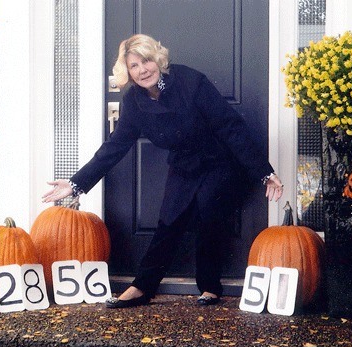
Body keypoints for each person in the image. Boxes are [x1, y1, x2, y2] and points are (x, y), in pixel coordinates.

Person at [43, 34, 283, 308]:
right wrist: (76, 184)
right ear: (127, 72)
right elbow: (116, 146)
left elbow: (230, 126)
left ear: (157, 59)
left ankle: (210, 287)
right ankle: (142, 287)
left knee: (209, 215)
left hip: (218, 158)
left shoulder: (190, 81)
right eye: (134, 66)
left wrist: (264, 172)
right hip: (184, 163)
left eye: (146, 61)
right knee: (169, 221)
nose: (142, 69)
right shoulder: (133, 101)